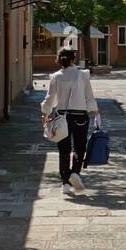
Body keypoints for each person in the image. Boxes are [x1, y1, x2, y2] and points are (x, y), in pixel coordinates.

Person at [41, 48, 99, 193]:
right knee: (80, 148)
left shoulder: (56, 77)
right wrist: (96, 112)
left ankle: (65, 183)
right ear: (73, 59)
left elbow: (50, 99)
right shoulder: (83, 75)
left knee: (64, 150)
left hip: (62, 117)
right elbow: (89, 96)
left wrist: (46, 114)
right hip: (80, 117)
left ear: (59, 59)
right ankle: (75, 173)